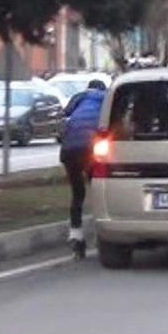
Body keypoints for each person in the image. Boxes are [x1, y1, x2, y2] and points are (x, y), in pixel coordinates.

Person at [60, 79, 107, 258]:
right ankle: (102, 233)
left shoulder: (79, 97)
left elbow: (64, 113)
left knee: (77, 193)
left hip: (68, 149)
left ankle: (76, 234)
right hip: (90, 148)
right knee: (99, 190)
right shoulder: (106, 98)